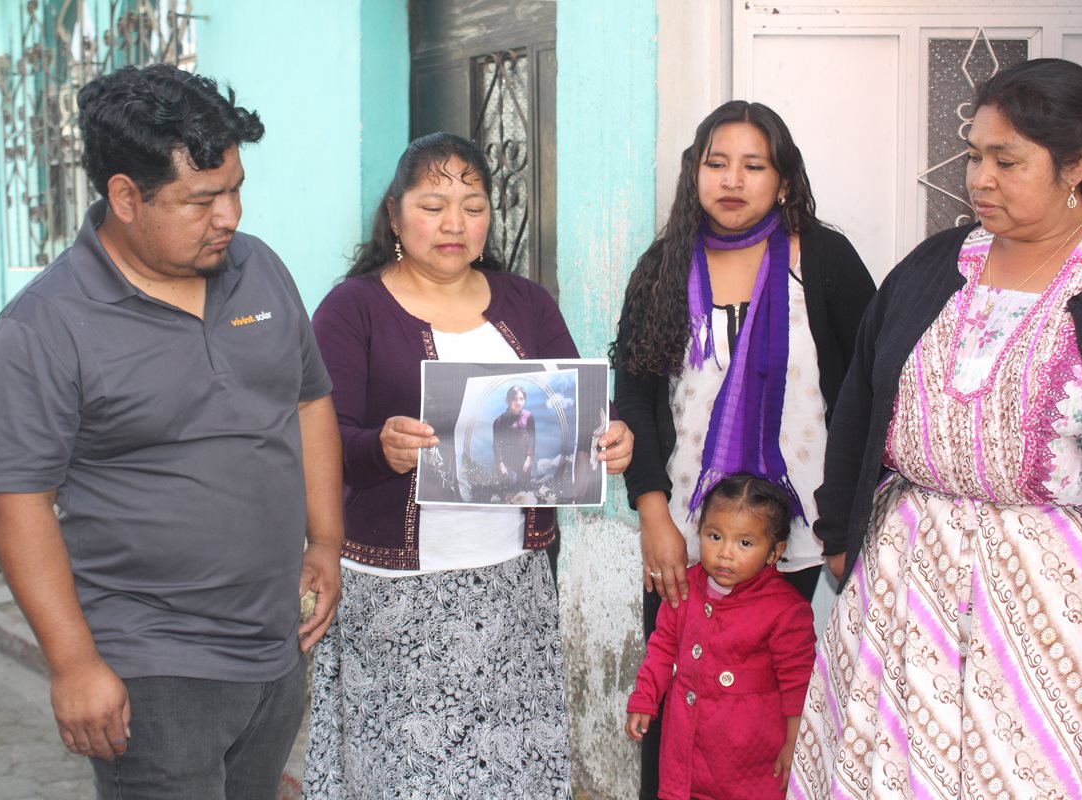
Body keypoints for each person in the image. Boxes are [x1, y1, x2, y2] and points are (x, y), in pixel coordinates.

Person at [0, 64, 343, 799]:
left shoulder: (258, 271)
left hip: (276, 647)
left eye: (234, 188)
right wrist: (74, 663)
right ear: (125, 198)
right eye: (201, 199)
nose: (229, 215)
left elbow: (307, 401)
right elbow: (17, 500)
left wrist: (324, 541)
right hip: (154, 667)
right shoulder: (41, 330)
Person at [789, 58, 1082, 799]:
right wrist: (838, 533)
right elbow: (859, 399)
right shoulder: (934, 266)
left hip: (1065, 602)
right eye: (974, 157)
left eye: (1006, 161)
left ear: (1078, 161)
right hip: (907, 586)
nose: (979, 178)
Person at [303, 131, 633, 799]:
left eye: (473, 204)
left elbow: (571, 409)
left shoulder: (526, 304)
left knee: (505, 767)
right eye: (432, 204)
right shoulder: (353, 308)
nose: (454, 222)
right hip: (393, 594)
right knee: (404, 773)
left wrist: (612, 438)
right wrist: (379, 446)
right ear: (394, 215)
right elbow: (320, 434)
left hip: (509, 584)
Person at [612, 100, 875, 797]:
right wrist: (654, 516)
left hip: (808, 542)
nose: (733, 180)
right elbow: (634, 397)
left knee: (787, 715)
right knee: (678, 704)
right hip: (690, 539)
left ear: (783, 180)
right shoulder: (662, 266)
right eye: (716, 163)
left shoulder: (823, 260)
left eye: (754, 166)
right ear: (694, 174)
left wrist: (849, 520)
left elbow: (872, 387)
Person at [625, 474, 815, 800]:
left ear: (774, 552)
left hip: (751, 761)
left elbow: (799, 686)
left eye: (744, 543)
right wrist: (644, 697)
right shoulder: (685, 588)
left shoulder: (786, 610)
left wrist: (793, 743)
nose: (725, 553)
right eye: (714, 536)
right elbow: (661, 648)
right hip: (686, 753)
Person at [493, 384, 536, 492]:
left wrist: (529, 457)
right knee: (510, 490)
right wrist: (500, 464)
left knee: (525, 490)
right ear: (508, 400)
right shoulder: (499, 421)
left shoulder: (528, 416)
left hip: (524, 461)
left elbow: (532, 438)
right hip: (508, 462)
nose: (519, 402)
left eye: (521, 399)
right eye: (515, 399)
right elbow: (496, 444)